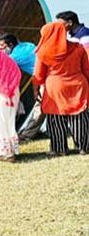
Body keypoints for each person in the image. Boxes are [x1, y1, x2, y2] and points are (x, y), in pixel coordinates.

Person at [33, 22, 89, 156]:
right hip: (77, 84)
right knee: (79, 116)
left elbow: (38, 75)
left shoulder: (43, 52)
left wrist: (36, 89)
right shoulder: (78, 48)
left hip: (55, 86)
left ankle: (59, 149)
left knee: (55, 117)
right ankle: (84, 146)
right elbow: (86, 69)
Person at [0, 34, 43, 141]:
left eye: (2, 46)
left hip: (46, 78)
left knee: (41, 108)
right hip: (47, 76)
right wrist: (0, 31)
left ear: (11, 45)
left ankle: (27, 135)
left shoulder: (15, 57)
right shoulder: (26, 45)